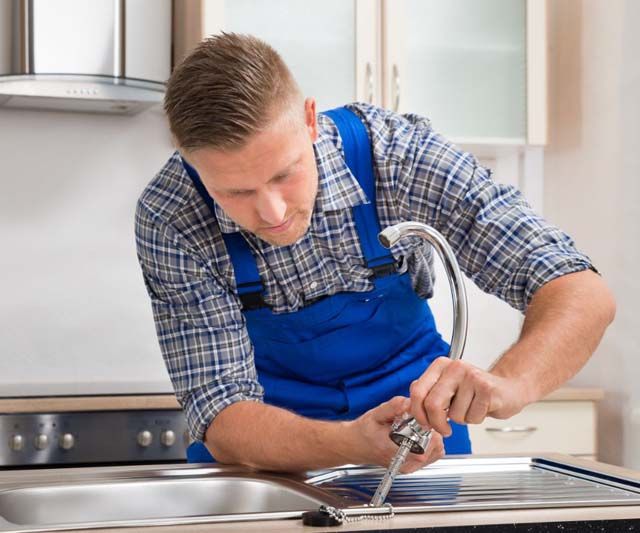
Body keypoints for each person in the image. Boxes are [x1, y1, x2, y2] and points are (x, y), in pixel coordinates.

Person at [134, 33, 615, 473]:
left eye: (285, 173)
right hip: (263, 460)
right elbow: (222, 412)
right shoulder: (171, 215)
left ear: (309, 119)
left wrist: (510, 385)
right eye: (235, 192)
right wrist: (349, 443)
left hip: (423, 439)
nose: (272, 211)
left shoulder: (398, 157)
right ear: (191, 163)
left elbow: (579, 289)